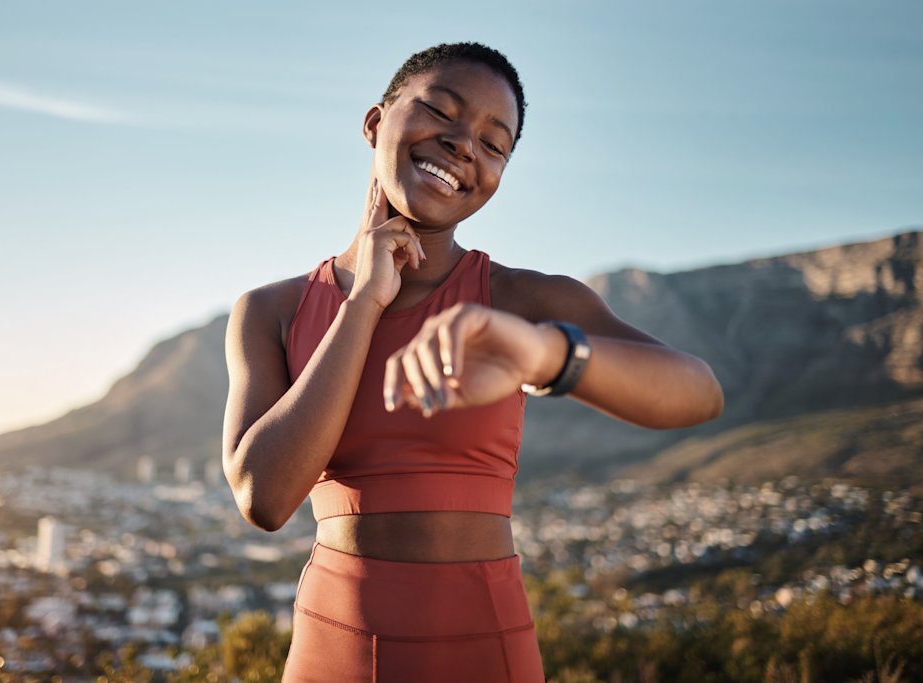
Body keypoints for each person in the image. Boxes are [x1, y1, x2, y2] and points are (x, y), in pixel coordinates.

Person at [222, 42, 724, 683]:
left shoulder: (522, 298)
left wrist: (544, 353)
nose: (465, 146)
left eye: (495, 144)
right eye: (441, 111)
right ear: (376, 123)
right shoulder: (272, 309)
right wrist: (365, 303)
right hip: (332, 646)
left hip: (484, 645)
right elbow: (264, 497)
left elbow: (699, 392)